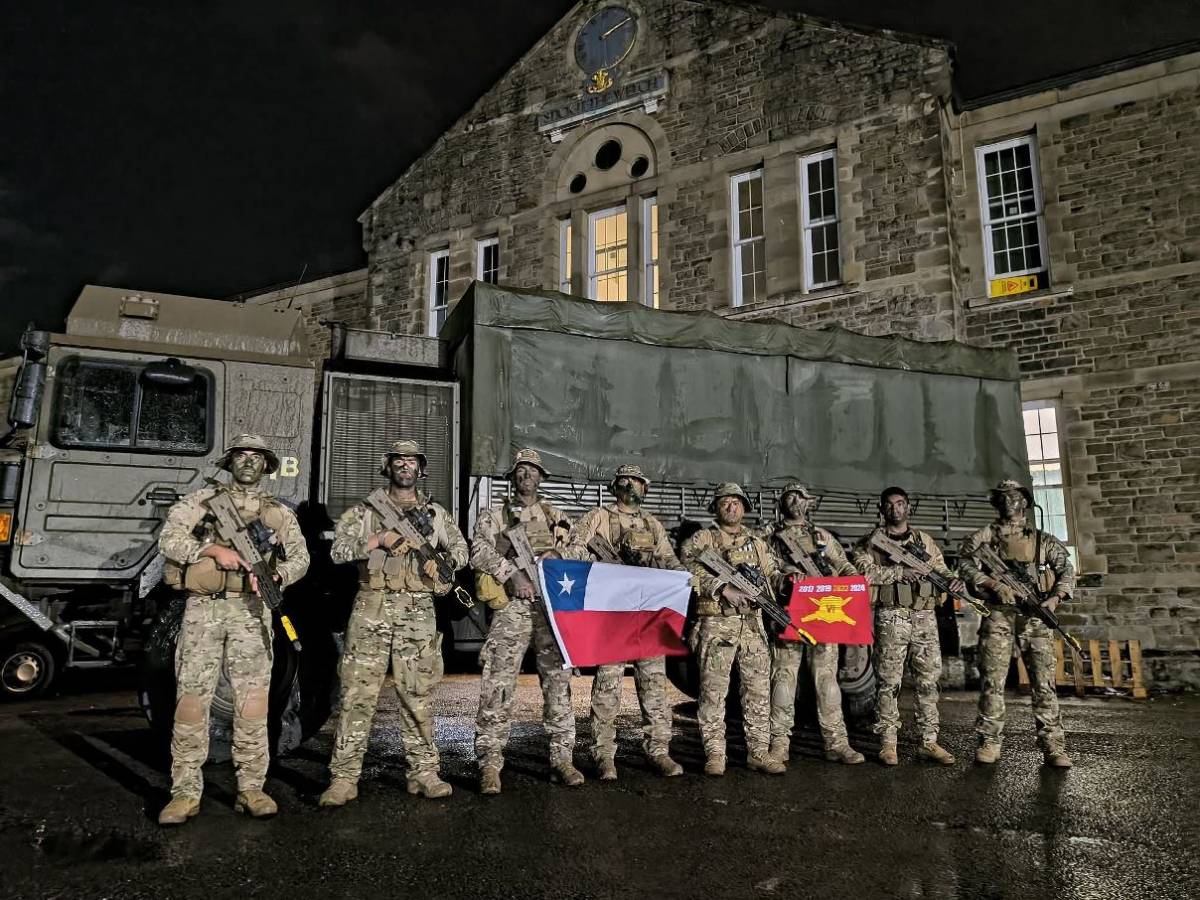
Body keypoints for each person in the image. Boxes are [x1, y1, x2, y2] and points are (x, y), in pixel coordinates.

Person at [156, 434, 309, 825]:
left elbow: (301, 558)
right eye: (241, 455)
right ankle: (185, 794)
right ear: (230, 463)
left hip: (251, 612)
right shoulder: (200, 503)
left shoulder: (277, 513)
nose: (248, 462)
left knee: (253, 703)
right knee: (191, 702)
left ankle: (251, 788)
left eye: (255, 457)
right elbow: (169, 539)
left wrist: (279, 573)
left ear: (266, 466)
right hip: (203, 611)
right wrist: (211, 551)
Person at [319, 439, 469, 805]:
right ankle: (343, 778)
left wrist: (444, 560)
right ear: (388, 467)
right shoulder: (366, 511)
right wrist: (377, 540)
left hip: (418, 607)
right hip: (372, 603)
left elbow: (462, 551)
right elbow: (338, 551)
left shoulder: (435, 514)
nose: (405, 466)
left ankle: (423, 773)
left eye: (412, 461)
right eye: (399, 460)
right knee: (357, 694)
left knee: (417, 693)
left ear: (420, 469)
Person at [562, 464, 685, 780]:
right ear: (615, 486)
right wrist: (602, 564)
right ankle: (603, 755)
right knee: (607, 687)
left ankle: (658, 750)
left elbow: (670, 561)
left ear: (645, 489)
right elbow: (572, 551)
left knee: (654, 685)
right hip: (613, 615)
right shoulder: (598, 518)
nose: (631, 485)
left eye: (637, 481)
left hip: (646, 614)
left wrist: (681, 577)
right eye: (624, 480)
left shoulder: (652, 525)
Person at [471, 449, 583, 794]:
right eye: (521, 470)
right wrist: (511, 574)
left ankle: (562, 758)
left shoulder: (556, 516)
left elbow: (581, 547)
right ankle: (490, 762)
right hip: (513, 608)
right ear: (513, 476)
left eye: (532, 470)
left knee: (557, 683)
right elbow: (477, 549)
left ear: (540, 477)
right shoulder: (495, 515)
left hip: (550, 611)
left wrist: (559, 554)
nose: (526, 475)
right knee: (498, 682)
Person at [959, 479, 1075, 767]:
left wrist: (1055, 599)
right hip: (998, 613)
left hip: (1034, 616)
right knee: (992, 680)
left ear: (1025, 501)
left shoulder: (1041, 539)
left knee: (1043, 681)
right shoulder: (984, 536)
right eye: (1003, 497)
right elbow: (963, 564)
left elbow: (1066, 570)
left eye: (1014, 496)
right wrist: (991, 583)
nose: (1008, 501)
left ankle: (1053, 745)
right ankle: (989, 741)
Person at [680, 482, 786, 776]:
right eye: (725, 502)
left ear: (745, 508)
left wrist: (786, 582)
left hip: (752, 626)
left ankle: (758, 752)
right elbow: (686, 571)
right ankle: (715, 754)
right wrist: (721, 587)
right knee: (713, 692)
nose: (731, 506)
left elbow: (771, 575)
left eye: (737, 502)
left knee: (757, 693)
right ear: (715, 507)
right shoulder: (702, 538)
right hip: (716, 625)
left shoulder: (757, 543)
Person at [851, 486, 961, 766]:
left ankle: (929, 741)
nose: (895, 509)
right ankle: (888, 744)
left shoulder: (924, 541)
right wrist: (901, 572)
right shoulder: (871, 543)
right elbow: (862, 573)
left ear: (908, 507)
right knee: (889, 683)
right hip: (891, 616)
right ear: (882, 509)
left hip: (925, 616)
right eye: (889, 505)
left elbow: (940, 568)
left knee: (928, 681)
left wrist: (952, 581)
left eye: (900, 503)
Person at [760, 483, 865, 765]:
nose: (796, 502)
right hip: (788, 613)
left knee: (827, 680)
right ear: (782, 503)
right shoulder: (769, 537)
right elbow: (762, 570)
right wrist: (786, 576)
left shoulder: (821, 536)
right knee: (783, 679)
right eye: (790, 497)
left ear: (810, 504)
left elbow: (843, 565)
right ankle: (779, 744)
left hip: (823, 613)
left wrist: (853, 584)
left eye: (801, 498)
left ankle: (837, 743)